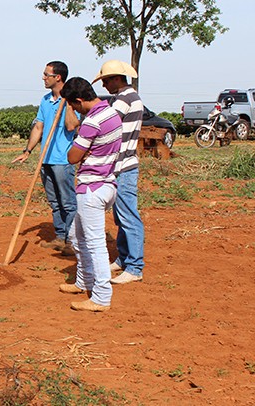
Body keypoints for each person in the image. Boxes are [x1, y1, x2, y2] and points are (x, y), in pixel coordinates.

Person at [57, 77, 122, 312]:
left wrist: (81, 150)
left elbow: (72, 157)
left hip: (92, 188)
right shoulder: (112, 113)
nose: (74, 110)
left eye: (73, 105)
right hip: (106, 184)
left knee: (95, 244)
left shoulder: (92, 121)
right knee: (76, 236)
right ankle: (83, 281)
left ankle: (101, 297)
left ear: (79, 100)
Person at [12, 61, 80, 255]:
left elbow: (72, 126)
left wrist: (67, 104)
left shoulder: (71, 99)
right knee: (55, 202)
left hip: (63, 160)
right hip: (46, 158)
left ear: (57, 77)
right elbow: (38, 127)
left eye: (46, 74)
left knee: (68, 202)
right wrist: (28, 151)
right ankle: (60, 236)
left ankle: (72, 241)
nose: (43, 78)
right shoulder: (45, 100)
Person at [93, 60, 145, 285]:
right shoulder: (128, 97)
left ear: (116, 78)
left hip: (123, 166)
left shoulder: (124, 99)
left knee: (128, 216)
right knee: (121, 216)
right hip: (122, 165)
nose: (104, 85)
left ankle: (134, 267)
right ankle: (124, 258)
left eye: (105, 80)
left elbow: (107, 124)